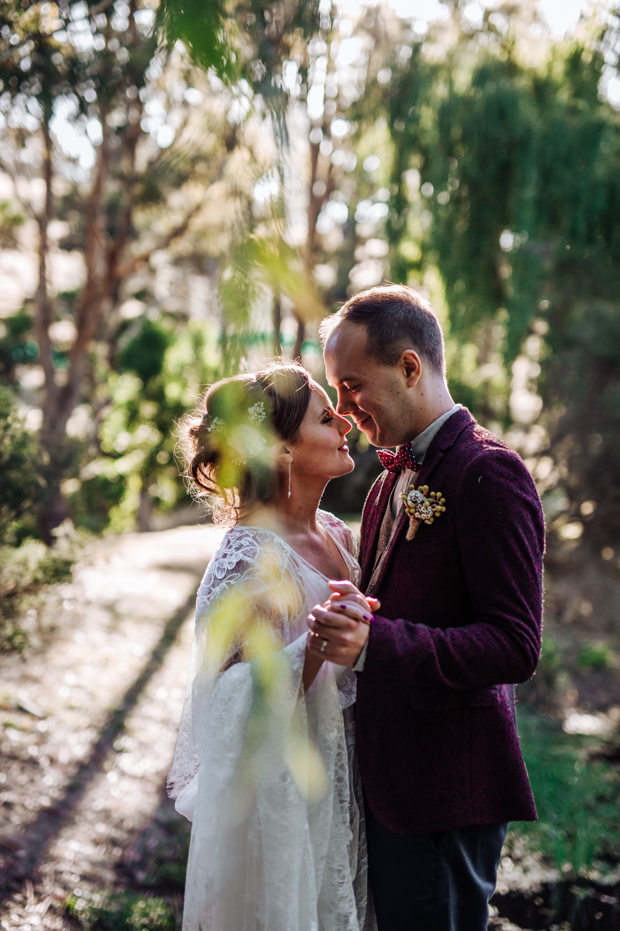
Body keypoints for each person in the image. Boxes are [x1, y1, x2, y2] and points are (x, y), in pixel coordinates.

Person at [306, 285, 545, 931]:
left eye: (352, 385)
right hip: (389, 775)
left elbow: (514, 644)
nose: (346, 410)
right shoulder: (387, 481)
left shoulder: (488, 472)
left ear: (409, 366)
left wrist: (375, 642)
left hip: (446, 785)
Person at [168, 362, 378, 931]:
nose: (346, 425)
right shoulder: (245, 564)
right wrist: (311, 647)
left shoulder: (336, 533)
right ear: (282, 449)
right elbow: (225, 712)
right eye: (325, 417)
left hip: (354, 773)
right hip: (284, 798)